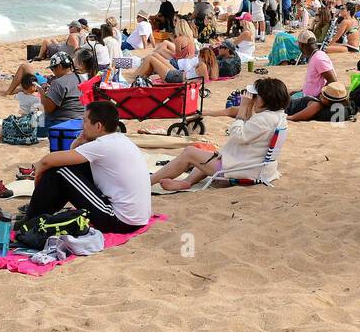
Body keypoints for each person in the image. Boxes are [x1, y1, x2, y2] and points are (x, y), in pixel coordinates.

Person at [23, 101, 151, 233]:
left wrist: (38, 172)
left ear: (98, 126)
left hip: (120, 220)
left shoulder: (102, 145)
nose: (81, 126)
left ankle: (31, 219)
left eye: (85, 121)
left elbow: (47, 161)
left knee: (60, 171)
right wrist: (79, 141)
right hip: (136, 218)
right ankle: (39, 214)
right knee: (69, 169)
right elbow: (70, 158)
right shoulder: (119, 140)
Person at [152, 78, 289, 189]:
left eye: (256, 96)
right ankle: (187, 182)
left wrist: (242, 109)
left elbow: (237, 135)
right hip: (254, 166)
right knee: (209, 155)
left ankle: (148, 182)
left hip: (245, 169)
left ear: (266, 99)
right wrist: (247, 107)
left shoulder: (263, 119)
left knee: (189, 152)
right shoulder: (278, 116)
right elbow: (249, 134)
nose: (253, 99)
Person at [39, 52, 87, 126]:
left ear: (60, 66)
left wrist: (42, 94)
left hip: (61, 123)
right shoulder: (82, 79)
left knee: (31, 125)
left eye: (53, 68)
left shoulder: (58, 82)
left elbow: (48, 108)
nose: (53, 72)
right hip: (81, 121)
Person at [294, 30, 336, 102]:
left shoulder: (319, 58)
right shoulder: (314, 56)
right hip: (308, 96)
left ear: (302, 45)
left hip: (313, 99)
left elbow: (332, 80)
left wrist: (319, 97)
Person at [287, 81, 354, 122]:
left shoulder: (317, 105)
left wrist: (285, 117)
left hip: (285, 106)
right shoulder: (344, 109)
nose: (321, 94)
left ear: (326, 100)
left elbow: (293, 117)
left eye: (323, 95)